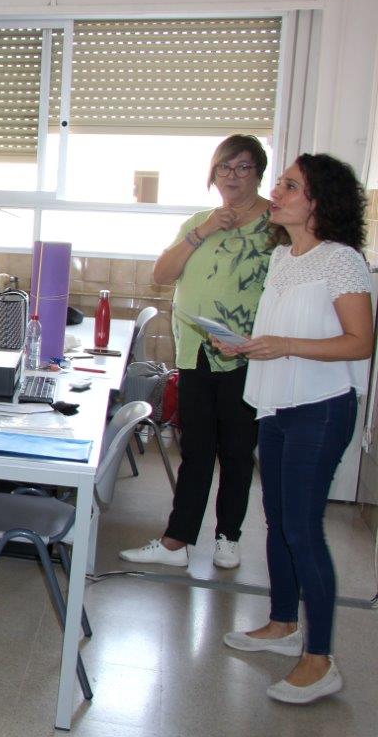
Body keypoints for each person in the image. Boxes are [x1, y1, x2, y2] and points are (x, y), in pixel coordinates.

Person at [216, 154, 372, 704]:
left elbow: (360, 343)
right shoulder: (284, 255)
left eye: (289, 186)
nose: (275, 193)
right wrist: (243, 345)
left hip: (320, 408)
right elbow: (283, 330)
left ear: (317, 202)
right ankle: (283, 624)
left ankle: (320, 659)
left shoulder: (342, 260)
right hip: (277, 404)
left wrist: (282, 345)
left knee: (303, 529)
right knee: (279, 520)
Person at [119, 135, 274, 570]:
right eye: (224, 167)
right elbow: (162, 274)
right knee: (196, 449)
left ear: (258, 173)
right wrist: (202, 232)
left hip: (246, 354)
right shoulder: (199, 221)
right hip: (196, 352)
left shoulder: (276, 225)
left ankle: (228, 537)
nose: (232, 176)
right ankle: (177, 541)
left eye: (243, 167)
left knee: (237, 450)